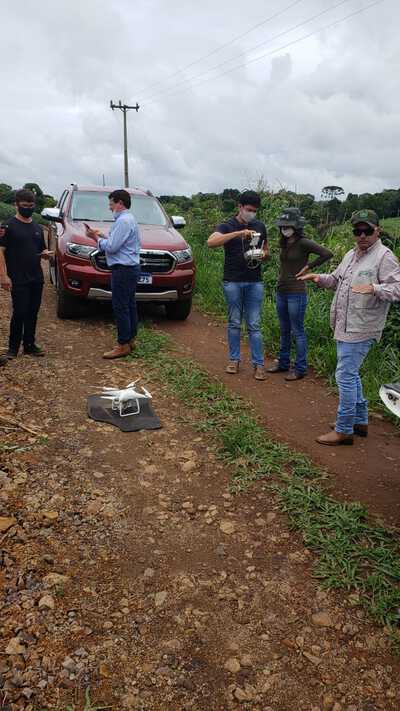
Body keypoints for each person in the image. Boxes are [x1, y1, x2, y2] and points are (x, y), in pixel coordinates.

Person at [300, 209, 400, 446]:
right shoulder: (350, 255)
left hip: (362, 327)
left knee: (344, 375)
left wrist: (374, 288)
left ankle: (344, 429)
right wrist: (318, 277)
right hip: (344, 324)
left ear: (378, 230)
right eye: (358, 231)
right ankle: (359, 421)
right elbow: (336, 280)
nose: (362, 235)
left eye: (367, 230)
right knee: (351, 374)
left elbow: (397, 289)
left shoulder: (384, 257)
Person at [207, 190, 269, 380]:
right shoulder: (228, 225)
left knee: (254, 324)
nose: (252, 213)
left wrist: (262, 255)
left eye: (255, 210)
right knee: (234, 322)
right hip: (233, 280)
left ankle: (258, 365)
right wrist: (238, 234)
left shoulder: (259, 226)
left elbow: (266, 250)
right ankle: (234, 360)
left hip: (254, 281)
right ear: (240, 207)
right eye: (249, 209)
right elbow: (211, 242)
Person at [267, 207, 333, 380]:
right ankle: (283, 363)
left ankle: (301, 368)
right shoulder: (284, 242)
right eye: (282, 226)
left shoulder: (303, 243)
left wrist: (309, 267)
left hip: (296, 292)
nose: (284, 229)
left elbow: (327, 253)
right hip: (282, 290)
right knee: (284, 329)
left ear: (296, 226)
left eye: (288, 226)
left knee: (298, 331)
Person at [86, 189, 141, 359]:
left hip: (123, 269)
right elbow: (118, 241)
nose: (109, 207)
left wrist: (95, 239)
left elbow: (112, 247)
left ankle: (123, 344)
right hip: (130, 268)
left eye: (111, 203)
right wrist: (101, 234)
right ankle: (130, 339)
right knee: (129, 304)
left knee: (120, 306)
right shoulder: (129, 219)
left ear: (119, 203)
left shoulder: (123, 221)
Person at [0, 189, 53, 359]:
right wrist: (3, 276)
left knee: (32, 312)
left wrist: (46, 253)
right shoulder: (7, 227)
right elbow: (0, 252)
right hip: (17, 277)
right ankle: (12, 348)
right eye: (25, 206)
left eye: (31, 206)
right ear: (16, 205)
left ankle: (29, 344)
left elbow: (41, 248)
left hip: (36, 277)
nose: (28, 208)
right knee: (20, 312)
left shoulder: (37, 227)